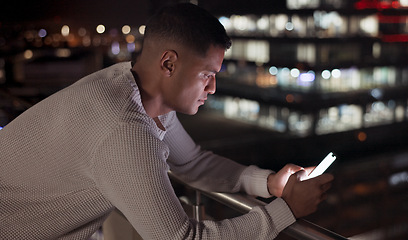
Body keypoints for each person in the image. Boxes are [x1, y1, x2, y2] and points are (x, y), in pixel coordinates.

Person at [0, 3, 333, 239]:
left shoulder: (132, 88)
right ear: (169, 63)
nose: (213, 88)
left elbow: (192, 162)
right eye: (207, 74)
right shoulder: (123, 127)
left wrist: (270, 183)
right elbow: (183, 238)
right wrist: (286, 210)